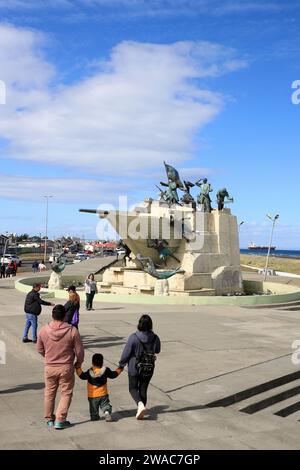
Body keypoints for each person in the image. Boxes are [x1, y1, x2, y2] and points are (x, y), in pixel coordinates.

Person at [37, 305, 85, 430]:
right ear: (64, 316)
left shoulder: (43, 330)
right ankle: (60, 419)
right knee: (66, 393)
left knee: (49, 393)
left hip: (50, 367)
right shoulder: (72, 330)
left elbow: (39, 349)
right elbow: (79, 351)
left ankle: (49, 419)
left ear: (52, 315)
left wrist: (48, 357)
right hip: (66, 367)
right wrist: (78, 363)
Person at [119, 315, 161, 420]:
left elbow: (126, 354)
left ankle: (140, 405)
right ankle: (141, 409)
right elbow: (157, 350)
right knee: (143, 389)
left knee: (133, 388)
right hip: (148, 368)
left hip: (134, 368)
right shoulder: (155, 338)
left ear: (140, 324)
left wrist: (121, 364)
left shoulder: (133, 337)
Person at [76, 353, 122, 422]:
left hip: (92, 396)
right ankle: (107, 412)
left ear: (92, 362)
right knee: (105, 405)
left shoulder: (90, 371)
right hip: (103, 394)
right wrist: (120, 369)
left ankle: (95, 416)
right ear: (102, 362)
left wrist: (78, 368)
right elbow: (113, 375)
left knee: (93, 411)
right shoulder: (105, 370)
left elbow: (82, 376)